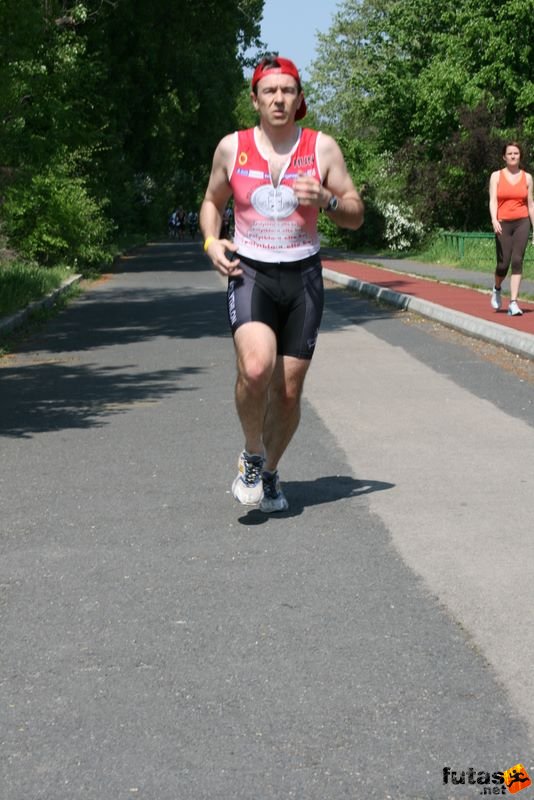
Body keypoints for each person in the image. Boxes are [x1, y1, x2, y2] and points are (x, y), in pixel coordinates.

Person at [199, 55, 364, 513]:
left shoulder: (322, 148)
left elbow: (356, 213)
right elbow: (212, 202)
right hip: (250, 272)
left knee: (288, 390)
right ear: (254, 99)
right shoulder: (232, 148)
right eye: (269, 91)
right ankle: (251, 456)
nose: (278, 99)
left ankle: (270, 472)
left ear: (299, 99)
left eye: (287, 91)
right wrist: (212, 242)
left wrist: (328, 200)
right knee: (256, 368)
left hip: (303, 277)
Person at [489, 141, 534, 316]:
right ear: (504, 157)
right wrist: (494, 219)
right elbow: (493, 200)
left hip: (522, 221)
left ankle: (513, 302)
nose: (513, 156)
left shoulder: (528, 178)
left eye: (516, 153)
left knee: (517, 260)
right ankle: (497, 287)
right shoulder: (496, 176)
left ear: (520, 156)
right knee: (503, 263)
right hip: (503, 222)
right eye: (510, 154)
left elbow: (530, 204)